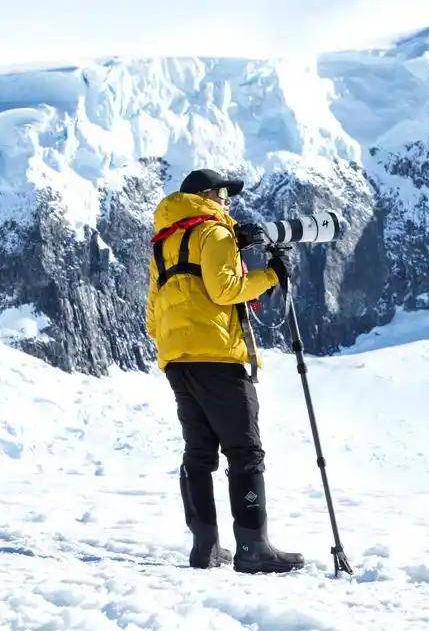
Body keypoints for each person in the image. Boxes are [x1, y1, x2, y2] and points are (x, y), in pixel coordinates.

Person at [145, 167, 303, 573]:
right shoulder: (213, 233)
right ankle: (253, 548)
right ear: (206, 196)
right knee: (244, 450)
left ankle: (205, 547)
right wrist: (271, 276)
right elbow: (226, 289)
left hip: (177, 360)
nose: (227, 201)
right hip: (219, 356)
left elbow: (151, 315)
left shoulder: (164, 242)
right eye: (223, 194)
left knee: (198, 454)